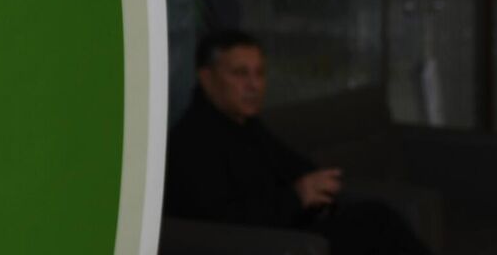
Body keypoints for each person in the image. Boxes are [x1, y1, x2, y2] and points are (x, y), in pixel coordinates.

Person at [163, 31, 432, 255]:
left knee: (374, 217)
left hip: (291, 231)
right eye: (240, 74)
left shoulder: (246, 126)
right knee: (374, 224)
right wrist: (296, 197)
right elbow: (221, 223)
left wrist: (314, 190)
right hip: (263, 243)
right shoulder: (192, 142)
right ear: (207, 78)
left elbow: (297, 167)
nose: (254, 85)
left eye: (260, 73)